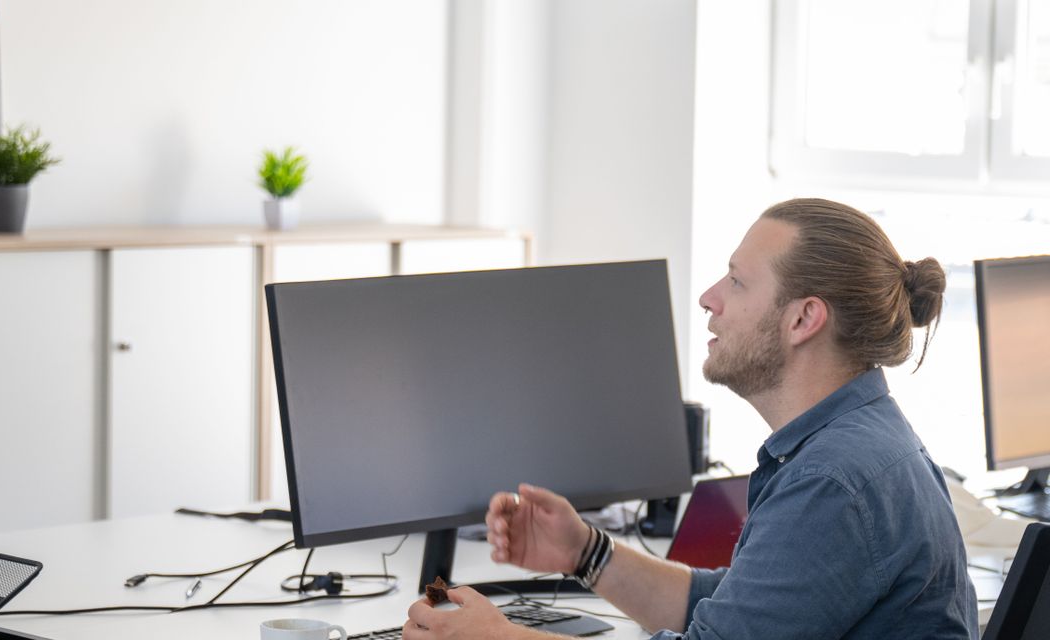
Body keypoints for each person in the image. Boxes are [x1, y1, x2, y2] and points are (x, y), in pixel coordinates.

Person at [402, 198, 976, 639]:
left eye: (737, 281)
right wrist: (585, 552)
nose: (708, 297)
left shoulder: (833, 481)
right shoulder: (859, 442)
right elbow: (734, 610)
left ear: (803, 320)